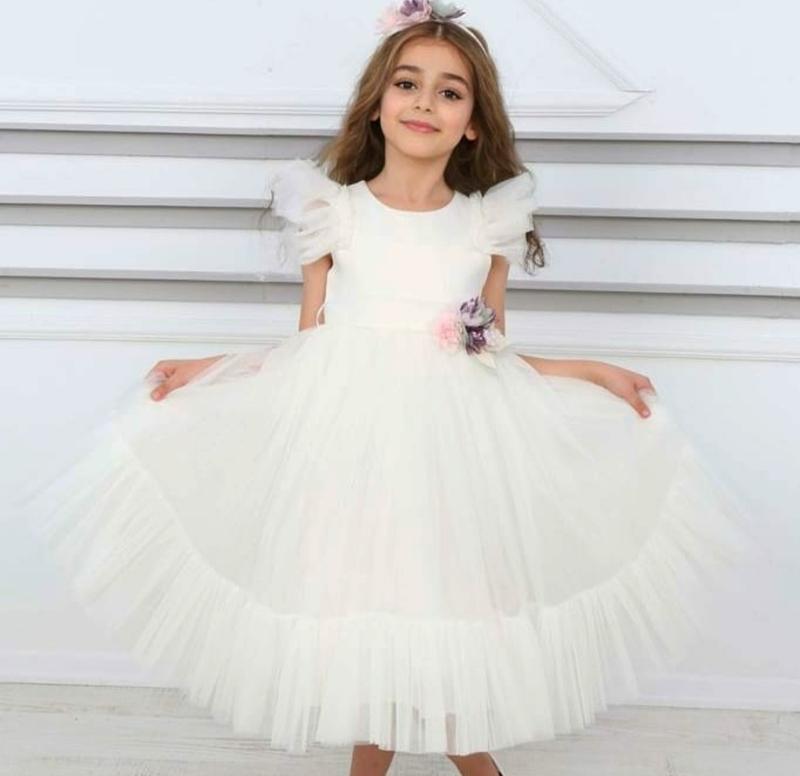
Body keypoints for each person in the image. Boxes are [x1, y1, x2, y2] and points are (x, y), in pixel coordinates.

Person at [16, 2, 762, 775]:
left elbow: (491, 349)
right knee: (370, 627)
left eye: (450, 91)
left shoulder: (485, 225)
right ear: (376, 103)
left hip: (451, 456)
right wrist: (211, 368)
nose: (424, 102)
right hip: (355, 453)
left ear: (473, 124)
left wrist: (588, 371)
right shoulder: (332, 214)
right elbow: (311, 343)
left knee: (442, 624)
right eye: (408, 83)